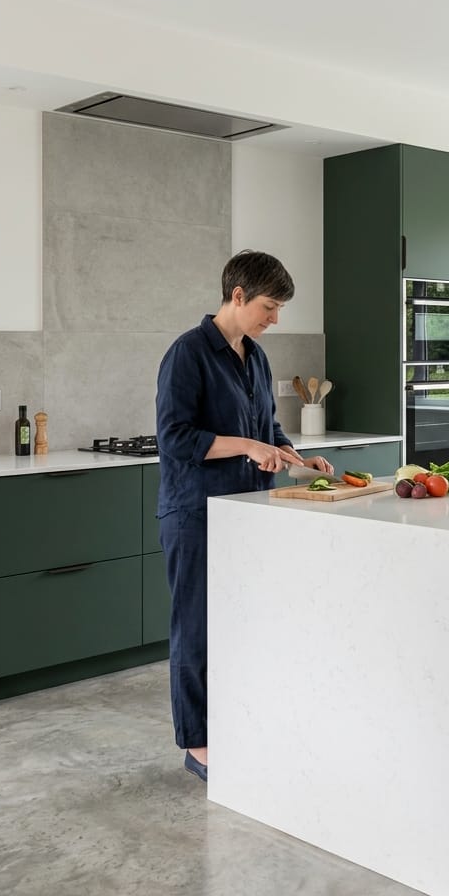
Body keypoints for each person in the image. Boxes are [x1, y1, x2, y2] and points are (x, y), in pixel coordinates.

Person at [155, 249, 333, 783]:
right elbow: (175, 439)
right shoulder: (187, 354)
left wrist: (300, 460)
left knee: (246, 625)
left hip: (250, 512)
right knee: (197, 631)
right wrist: (247, 446)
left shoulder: (254, 355)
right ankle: (199, 746)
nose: (275, 318)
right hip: (196, 514)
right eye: (269, 306)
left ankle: (239, 723)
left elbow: (268, 430)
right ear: (237, 296)